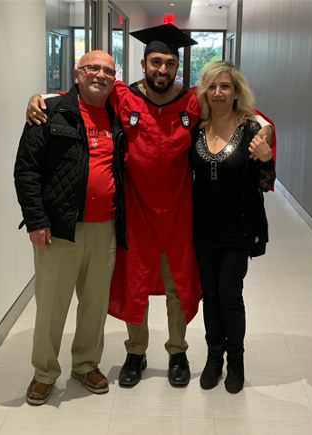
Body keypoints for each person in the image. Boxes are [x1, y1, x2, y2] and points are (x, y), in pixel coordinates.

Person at [26, 24, 274, 389]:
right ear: (143, 64)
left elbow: (244, 113)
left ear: (178, 67)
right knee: (135, 280)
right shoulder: (123, 97)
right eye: (156, 61)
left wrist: (265, 129)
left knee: (177, 283)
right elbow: (78, 95)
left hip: (179, 209)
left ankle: (177, 351)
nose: (162, 69)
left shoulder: (192, 101)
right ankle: (135, 352)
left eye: (170, 63)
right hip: (136, 209)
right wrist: (37, 98)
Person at [14, 50, 127, 405]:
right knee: (51, 305)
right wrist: (36, 219)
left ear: (115, 78)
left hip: (104, 227)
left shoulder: (118, 115)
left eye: (108, 70)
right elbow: (26, 170)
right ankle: (45, 373)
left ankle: (86, 364)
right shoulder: (50, 110)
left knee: (95, 304)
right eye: (92, 68)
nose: (100, 74)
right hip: (59, 229)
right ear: (77, 74)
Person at [190, 60, 276, 394]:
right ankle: (214, 358)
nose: (218, 93)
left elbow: (265, 182)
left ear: (236, 91)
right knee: (209, 295)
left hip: (238, 229)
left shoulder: (253, 130)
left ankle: (236, 361)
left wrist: (267, 158)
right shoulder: (197, 127)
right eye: (211, 86)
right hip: (202, 230)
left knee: (229, 294)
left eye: (225, 86)